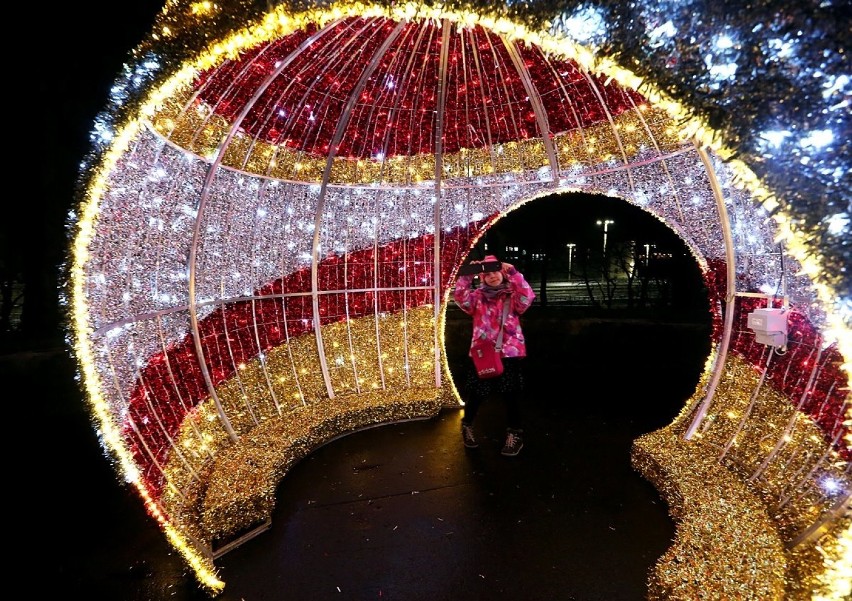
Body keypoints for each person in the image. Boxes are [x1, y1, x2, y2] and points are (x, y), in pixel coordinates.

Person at [453, 254, 535, 456]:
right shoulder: (477, 298)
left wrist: (513, 273)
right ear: (482, 278)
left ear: (502, 273)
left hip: (510, 353)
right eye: (487, 274)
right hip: (483, 354)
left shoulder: (512, 296)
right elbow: (460, 297)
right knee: (478, 393)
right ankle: (467, 426)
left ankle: (515, 434)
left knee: (511, 395)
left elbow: (527, 296)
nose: (492, 277)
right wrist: (466, 276)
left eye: (496, 272)